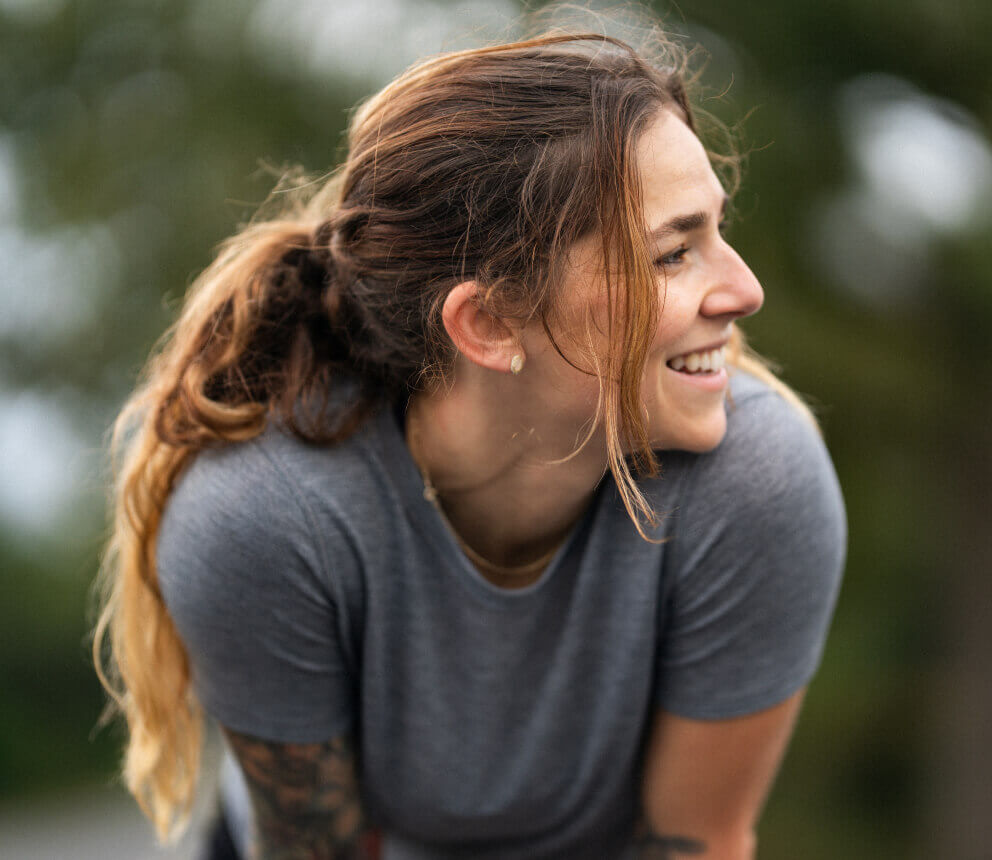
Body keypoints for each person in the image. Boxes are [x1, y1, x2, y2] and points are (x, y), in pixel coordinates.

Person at [92, 27, 846, 860]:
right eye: (673, 252)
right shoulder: (265, 515)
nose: (745, 289)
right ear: (486, 324)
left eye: (717, 231)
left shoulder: (757, 480)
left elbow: (693, 844)